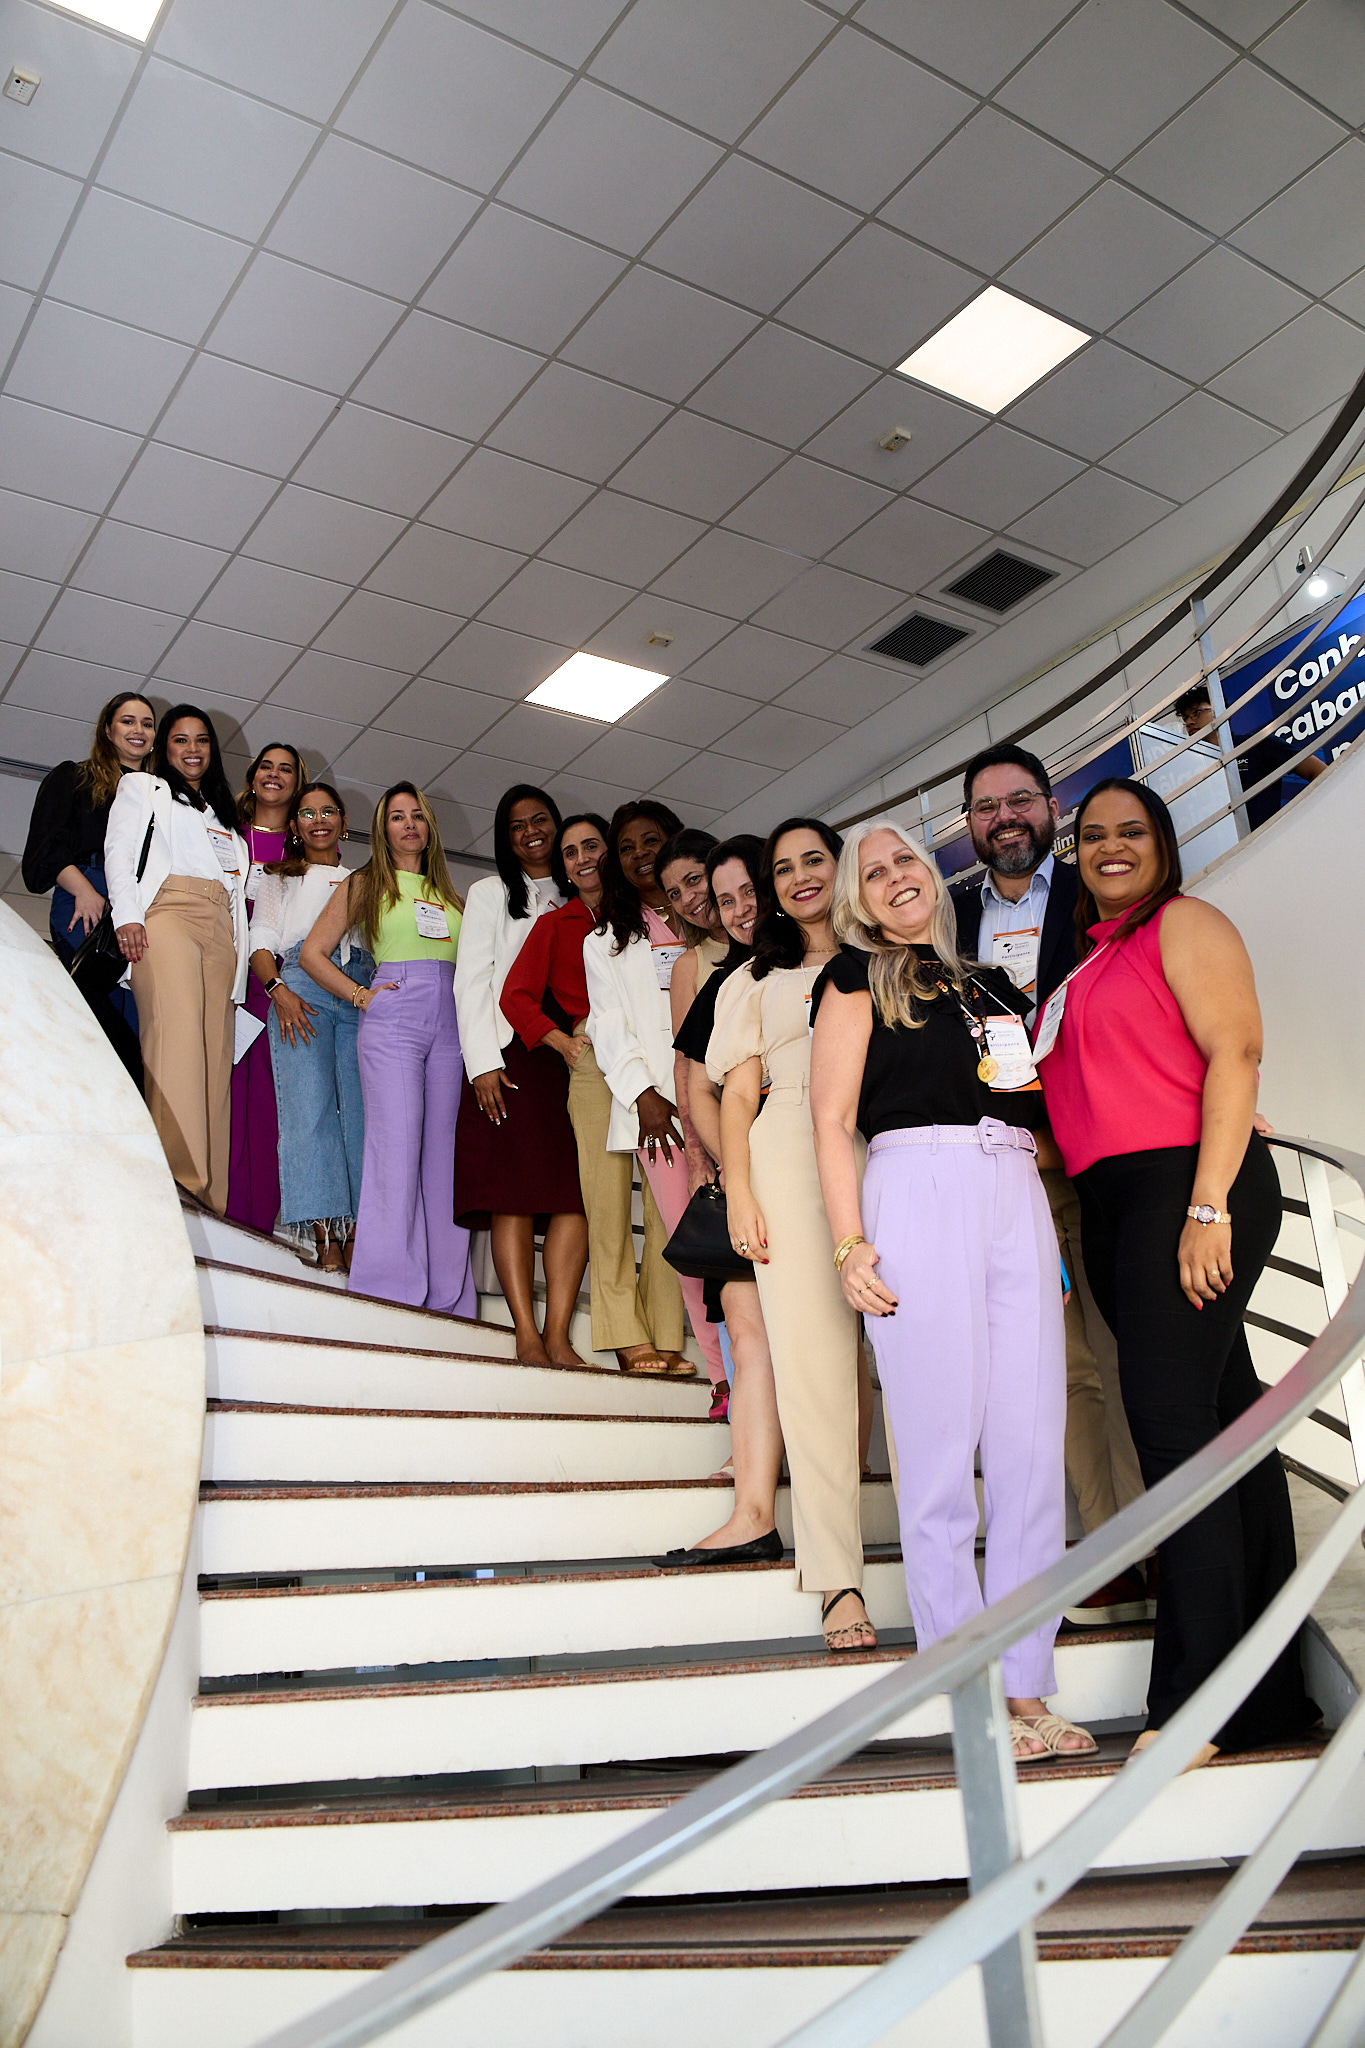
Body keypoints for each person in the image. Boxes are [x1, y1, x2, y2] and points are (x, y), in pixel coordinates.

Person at [1036, 777, 1317, 1765]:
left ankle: (1196, 1705)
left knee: (1173, 1439)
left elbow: (1235, 1052)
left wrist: (1208, 1204)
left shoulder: (1185, 923)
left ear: (1162, 844)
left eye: (1132, 831)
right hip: (1118, 1204)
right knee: (1226, 1429)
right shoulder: (1084, 962)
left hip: (1184, 1191)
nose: (1110, 846)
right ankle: (1266, 1695)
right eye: (1093, 835)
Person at [809, 817, 1094, 1759]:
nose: (896, 876)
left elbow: (1035, 1118)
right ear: (856, 900)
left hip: (1013, 1191)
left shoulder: (990, 985)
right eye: (873, 871)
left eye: (906, 860)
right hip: (915, 1187)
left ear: (933, 876)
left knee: (1029, 1453)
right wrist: (849, 1243)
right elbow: (830, 1118)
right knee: (938, 1459)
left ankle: (1026, 1684)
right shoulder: (853, 977)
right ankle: (970, 1691)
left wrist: (1044, 1241)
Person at [953, 743, 1146, 1627]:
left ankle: (1161, 1535)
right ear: (968, 825)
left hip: (1100, 1155)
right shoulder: (945, 919)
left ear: (1051, 810)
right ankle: (1114, 1550)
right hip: (1006, 1168)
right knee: (1063, 1370)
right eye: (986, 807)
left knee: (1125, 1352)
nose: (1005, 818)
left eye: (1020, 800)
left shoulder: (1092, 893)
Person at [707, 818, 872, 1650]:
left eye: (815, 860)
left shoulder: (887, 956)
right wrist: (740, 1191)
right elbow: (737, 1097)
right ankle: (837, 1576)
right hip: (787, 1161)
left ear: (841, 867)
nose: (801, 876)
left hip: (893, 1147)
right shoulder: (754, 977)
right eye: (783, 868)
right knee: (811, 1369)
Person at [501, 813, 680, 1374]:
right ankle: (626, 1335)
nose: (583, 859)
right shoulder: (558, 924)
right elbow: (514, 996)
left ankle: (666, 1333)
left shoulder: (651, 915)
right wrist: (562, 1042)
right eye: (571, 851)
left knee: (667, 1202)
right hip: (595, 1063)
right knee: (606, 1206)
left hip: (656, 1060)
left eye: (592, 846)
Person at [301, 781, 474, 1316]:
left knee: (444, 1159)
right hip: (394, 1016)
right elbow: (313, 953)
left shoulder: (453, 895)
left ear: (429, 827)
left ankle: (448, 1298)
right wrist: (360, 996)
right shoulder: (366, 882)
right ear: (382, 829)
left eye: (417, 815)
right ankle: (387, 1291)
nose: (409, 824)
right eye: (397, 816)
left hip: (451, 1021)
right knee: (395, 1150)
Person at [664, 834, 784, 1563]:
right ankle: (752, 1514)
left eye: (749, 894)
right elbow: (697, 1086)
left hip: (819, 1182)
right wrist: (733, 1169)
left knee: (826, 1342)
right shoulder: (723, 985)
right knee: (746, 1332)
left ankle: (835, 1492)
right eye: (725, 899)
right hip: (744, 1186)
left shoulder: (832, 968)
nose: (739, 911)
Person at [584, 801, 726, 1406]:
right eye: (626, 847)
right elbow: (608, 1027)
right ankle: (724, 1377)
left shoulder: (714, 920)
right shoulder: (604, 942)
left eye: (651, 841)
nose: (640, 854)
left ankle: (764, 1366)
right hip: (660, 1117)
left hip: (732, 1101)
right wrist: (644, 1096)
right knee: (694, 1248)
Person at [453, 786, 587, 1369]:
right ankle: (526, 1335)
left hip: (574, 1058)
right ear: (505, 839)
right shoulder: (490, 893)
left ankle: (558, 1335)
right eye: (517, 825)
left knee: (575, 1197)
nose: (531, 831)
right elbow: (471, 980)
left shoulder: (584, 893)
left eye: (540, 820)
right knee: (515, 1194)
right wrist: (482, 1062)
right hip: (510, 1058)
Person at [107, 704, 250, 1212]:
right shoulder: (143, 788)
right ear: (165, 748)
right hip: (166, 914)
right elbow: (119, 852)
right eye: (181, 739)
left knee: (214, 1063)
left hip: (220, 929)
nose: (193, 749)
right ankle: (177, 1190)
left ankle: (212, 1204)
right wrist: (128, 916)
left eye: (202, 740)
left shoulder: (224, 817)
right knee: (178, 1047)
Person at [250, 783, 372, 1272]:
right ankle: (325, 1236)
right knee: (309, 1112)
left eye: (328, 811)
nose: (318, 820)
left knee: (362, 1116)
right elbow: (260, 944)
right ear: (295, 827)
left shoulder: (366, 881)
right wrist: (279, 992)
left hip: (360, 988)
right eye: (307, 813)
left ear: (343, 822)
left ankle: (361, 1232)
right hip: (301, 990)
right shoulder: (279, 877)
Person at [22, 690, 156, 1085]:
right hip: (88, 897)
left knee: (137, 1019)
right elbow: (43, 851)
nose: (139, 729)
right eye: (128, 721)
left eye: (147, 724)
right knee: (97, 1012)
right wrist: (83, 889)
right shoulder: (75, 777)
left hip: (143, 907)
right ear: (108, 731)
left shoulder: (161, 794)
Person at [228, 741, 306, 1233]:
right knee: (223, 1099)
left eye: (286, 770)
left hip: (274, 990)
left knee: (268, 1108)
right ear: (253, 776)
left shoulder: (307, 854)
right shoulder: (224, 834)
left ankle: (255, 1223)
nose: (274, 775)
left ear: (298, 784)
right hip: (223, 980)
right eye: (266, 766)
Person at [1175, 684, 1324, 833]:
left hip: (1270, 838)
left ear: (1219, 711)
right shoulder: (1196, 769)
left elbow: (1318, 770)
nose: (1190, 722)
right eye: (1185, 718)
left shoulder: (1256, 744)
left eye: (1196, 713)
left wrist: (1302, 821)